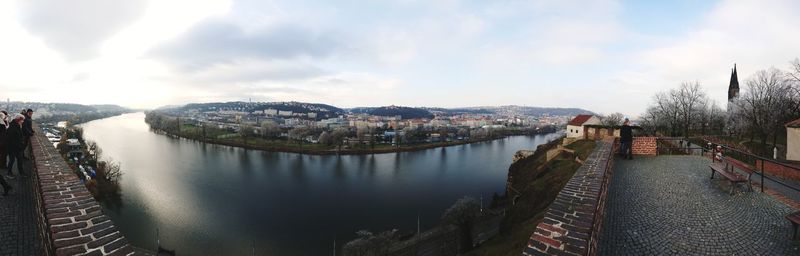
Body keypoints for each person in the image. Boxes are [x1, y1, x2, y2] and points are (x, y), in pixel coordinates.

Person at [6, 114, 27, 178]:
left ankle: (21, 172)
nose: (23, 121)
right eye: (22, 120)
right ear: (18, 119)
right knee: (12, 160)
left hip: (17, 147)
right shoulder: (12, 127)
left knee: (19, 160)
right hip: (13, 148)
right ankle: (9, 173)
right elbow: (11, 139)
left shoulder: (17, 125)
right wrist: (20, 145)